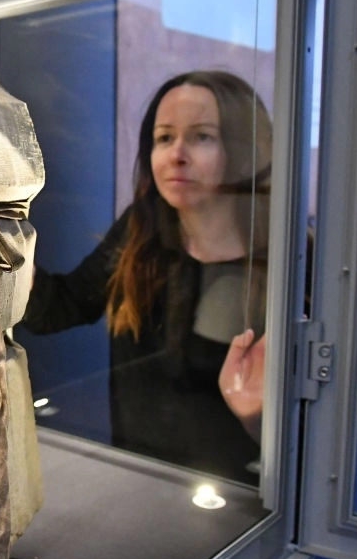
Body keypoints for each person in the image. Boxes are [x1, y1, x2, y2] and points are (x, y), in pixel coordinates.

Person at [21, 70, 270, 485]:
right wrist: (3, 238)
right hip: (138, 472)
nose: (177, 155)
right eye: (164, 138)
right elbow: (59, 309)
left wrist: (258, 419)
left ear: (243, 149)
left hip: (237, 492)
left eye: (202, 136)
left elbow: (307, 431)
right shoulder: (142, 229)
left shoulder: (283, 254)